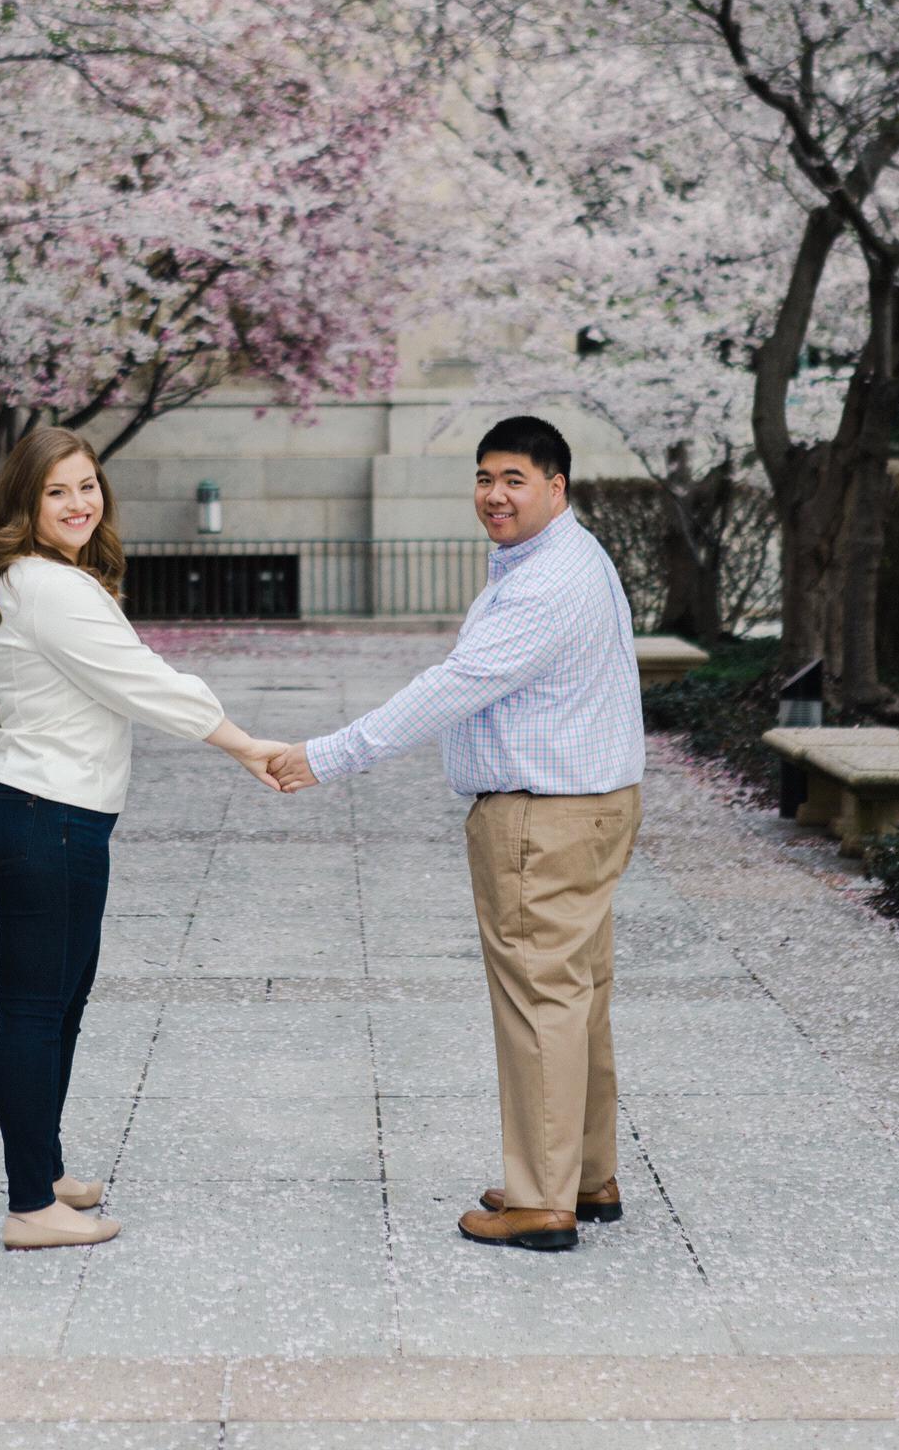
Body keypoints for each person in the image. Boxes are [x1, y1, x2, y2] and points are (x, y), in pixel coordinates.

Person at [270, 415, 644, 1252]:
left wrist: (325, 756)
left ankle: (542, 1201)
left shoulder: (547, 582)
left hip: (540, 817)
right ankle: (585, 1175)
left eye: (515, 478)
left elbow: (456, 686)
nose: (495, 494)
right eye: (484, 478)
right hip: (591, 805)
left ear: (558, 486)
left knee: (540, 1001)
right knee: (578, 997)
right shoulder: (568, 557)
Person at [0, 425, 289, 1251]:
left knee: (57, 1006)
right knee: (38, 1012)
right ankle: (31, 1206)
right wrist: (243, 742)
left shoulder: (33, 578)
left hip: (37, 806)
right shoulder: (53, 588)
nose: (79, 504)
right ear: (24, 505)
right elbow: (144, 682)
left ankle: (45, 1168)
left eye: (87, 486)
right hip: (47, 816)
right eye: (56, 492)